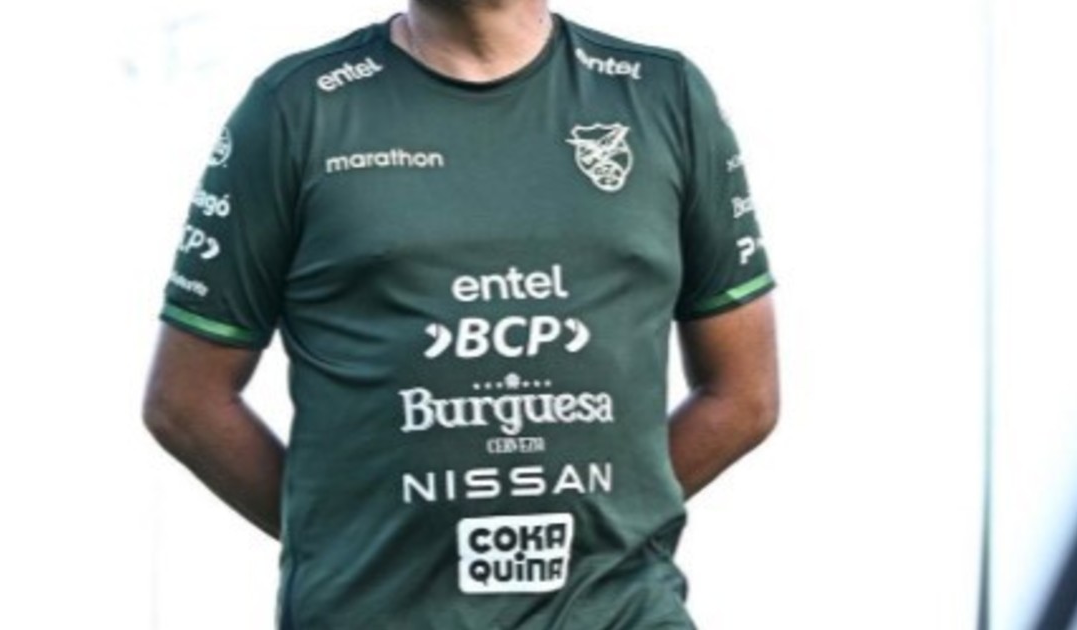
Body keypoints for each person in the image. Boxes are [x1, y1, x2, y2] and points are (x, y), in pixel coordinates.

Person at [143, 0, 779, 627]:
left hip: (616, 615)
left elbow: (744, 397)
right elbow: (185, 403)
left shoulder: (664, 95)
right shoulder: (297, 107)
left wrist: (608, 529)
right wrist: (353, 544)